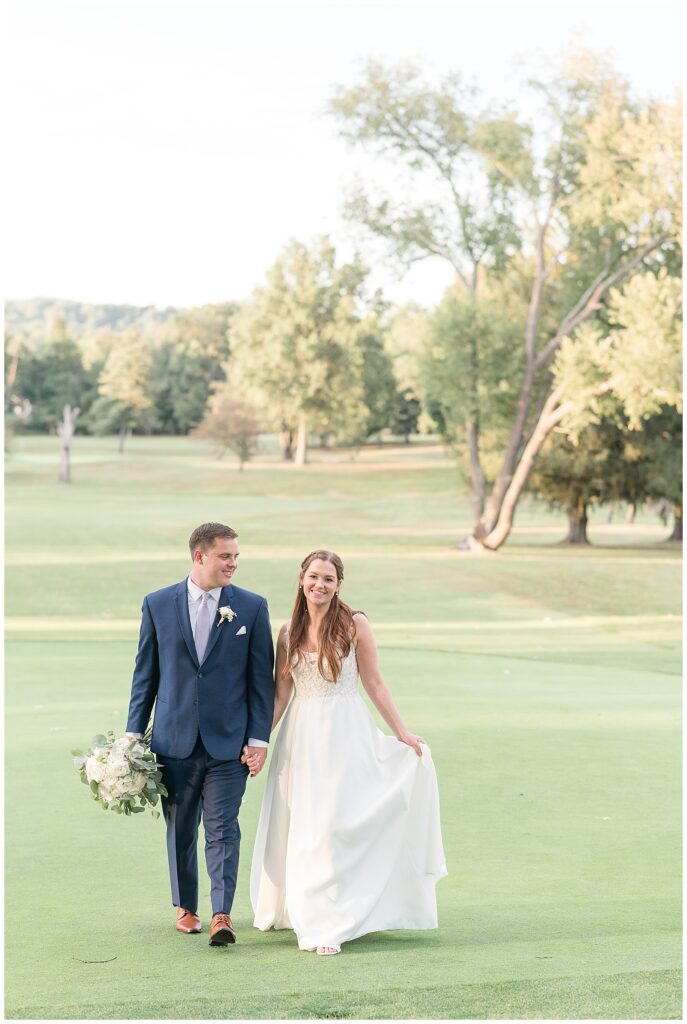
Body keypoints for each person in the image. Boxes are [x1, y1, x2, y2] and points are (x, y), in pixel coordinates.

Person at [247, 549, 447, 955]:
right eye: (314, 577)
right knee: (305, 825)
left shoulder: (355, 625)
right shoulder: (287, 632)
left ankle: (330, 920)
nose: (320, 585)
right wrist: (258, 740)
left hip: (345, 733)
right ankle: (307, 910)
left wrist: (402, 732)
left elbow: (374, 683)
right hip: (301, 738)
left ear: (339, 585)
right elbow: (281, 694)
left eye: (329, 579)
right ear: (301, 579)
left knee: (333, 825)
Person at [126, 522, 274, 947]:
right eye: (226, 556)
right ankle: (186, 907)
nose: (233, 563)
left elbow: (260, 682)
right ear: (200, 557)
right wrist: (133, 735)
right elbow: (145, 676)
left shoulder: (251, 607)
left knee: (224, 827)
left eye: (236, 556)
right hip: (174, 741)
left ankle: (222, 914)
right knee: (181, 827)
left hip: (229, 744)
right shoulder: (157, 604)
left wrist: (258, 739)